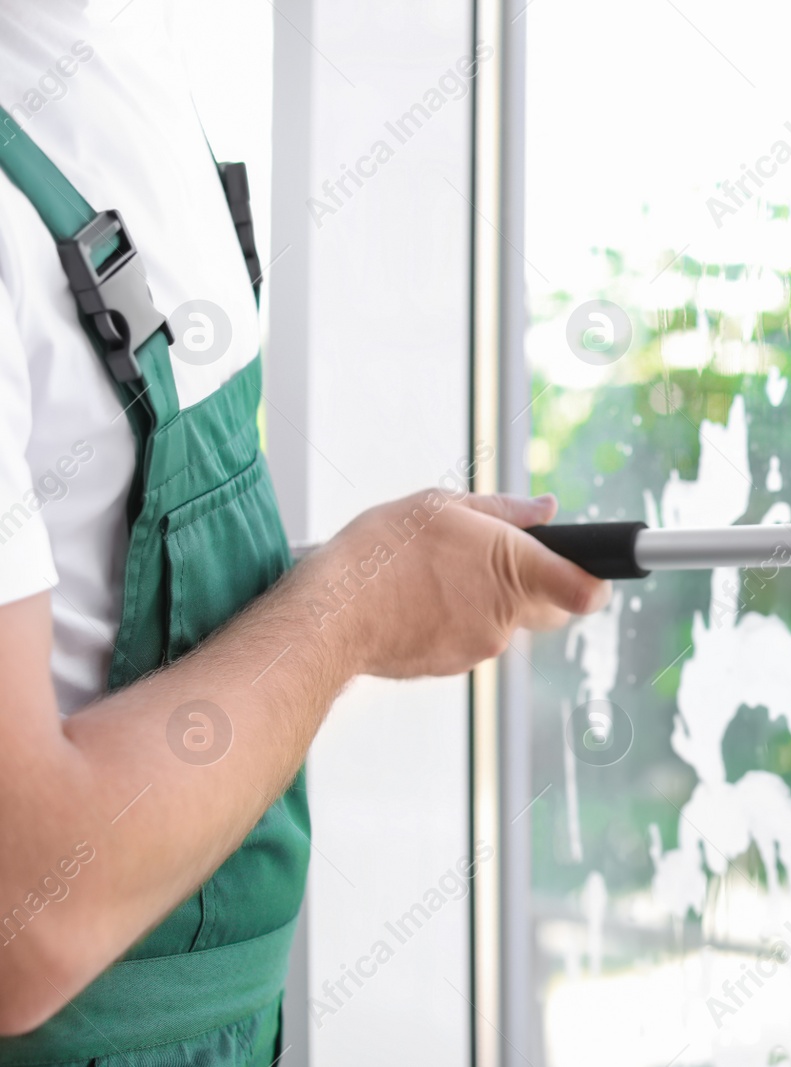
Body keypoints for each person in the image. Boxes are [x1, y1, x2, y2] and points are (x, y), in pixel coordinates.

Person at [0, 4, 610, 1062]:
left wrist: (342, 581)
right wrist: (351, 609)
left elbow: (86, 596)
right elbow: (23, 914)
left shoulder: (123, 53)